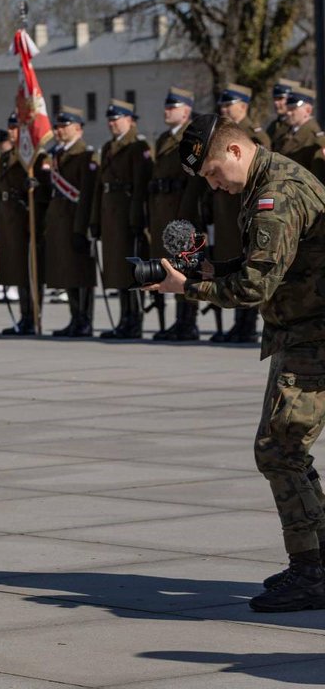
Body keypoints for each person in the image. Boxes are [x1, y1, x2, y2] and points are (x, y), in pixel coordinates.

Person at [147, 114, 325, 613]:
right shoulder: (269, 180)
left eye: (210, 174)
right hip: (302, 332)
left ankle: (311, 572)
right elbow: (269, 267)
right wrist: (208, 270)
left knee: (279, 451)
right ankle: (316, 562)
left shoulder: (277, 194)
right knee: (284, 451)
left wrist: (190, 289)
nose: (214, 187)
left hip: (314, 337)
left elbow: (254, 288)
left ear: (234, 152)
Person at [207, 83, 272, 344]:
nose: (223, 109)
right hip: (226, 212)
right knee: (229, 261)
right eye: (221, 105)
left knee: (249, 263)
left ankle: (247, 323)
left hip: (244, 208)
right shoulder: (223, 135)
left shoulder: (252, 136)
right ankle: (238, 322)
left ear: (243, 106)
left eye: (228, 104)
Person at [143, 87, 200, 341]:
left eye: (172, 107)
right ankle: (176, 322)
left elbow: (193, 181)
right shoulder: (164, 139)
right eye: (166, 107)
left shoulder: (192, 138)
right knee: (168, 266)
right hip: (162, 210)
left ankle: (187, 322)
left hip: (180, 211)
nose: (167, 111)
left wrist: (185, 215)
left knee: (184, 268)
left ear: (186, 111)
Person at [90, 99, 150, 339]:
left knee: (133, 270)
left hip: (127, 213)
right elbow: (98, 187)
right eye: (110, 120)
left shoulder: (137, 146)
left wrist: (137, 217)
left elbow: (140, 185)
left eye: (117, 119)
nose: (112, 123)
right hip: (110, 213)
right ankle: (124, 318)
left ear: (129, 120)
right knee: (117, 270)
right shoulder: (107, 147)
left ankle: (135, 319)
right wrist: (95, 220)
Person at [45, 106, 98, 337]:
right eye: (57, 126)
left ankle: (85, 320)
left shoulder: (84, 154)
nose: (59, 130)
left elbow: (86, 194)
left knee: (81, 274)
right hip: (60, 221)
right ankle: (74, 318)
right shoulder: (57, 154)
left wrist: (82, 227)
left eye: (63, 126)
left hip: (77, 220)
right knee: (67, 272)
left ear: (77, 127)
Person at [0, 113, 47, 335]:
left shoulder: (35, 157)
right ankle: (24, 316)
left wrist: (36, 185)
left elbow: (45, 190)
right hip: (10, 219)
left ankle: (34, 316)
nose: (11, 132)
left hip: (27, 219)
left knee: (31, 272)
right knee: (18, 271)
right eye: (10, 127)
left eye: (16, 128)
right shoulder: (7, 157)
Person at [281, 86, 323, 172]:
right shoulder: (286, 131)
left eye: (293, 108)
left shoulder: (315, 138)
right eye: (288, 108)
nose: (288, 113)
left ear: (308, 110)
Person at [267, 77, 301, 154]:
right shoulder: (274, 124)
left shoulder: (296, 126)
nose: (276, 102)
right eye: (275, 99)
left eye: (280, 98)